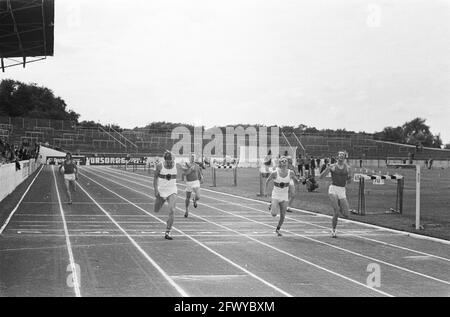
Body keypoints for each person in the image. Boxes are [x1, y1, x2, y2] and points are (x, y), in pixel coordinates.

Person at [153, 151, 191, 240]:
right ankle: (168, 222)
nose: (170, 163)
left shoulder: (177, 165)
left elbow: (186, 172)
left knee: (172, 210)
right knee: (156, 210)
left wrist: (188, 169)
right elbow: (155, 178)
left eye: (171, 161)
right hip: (161, 191)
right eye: (168, 161)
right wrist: (155, 190)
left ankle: (168, 231)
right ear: (165, 160)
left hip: (172, 191)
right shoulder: (159, 166)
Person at [319, 151, 352, 238]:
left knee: (346, 214)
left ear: (345, 157)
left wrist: (349, 178)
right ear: (337, 157)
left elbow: (349, 180)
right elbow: (321, 177)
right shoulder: (332, 166)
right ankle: (333, 231)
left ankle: (340, 207)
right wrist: (327, 168)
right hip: (333, 189)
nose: (341, 157)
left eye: (343, 155)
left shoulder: (348, 168)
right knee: (336, 211)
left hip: (342, 190)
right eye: (339, 155)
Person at [264, 156, 297, 236]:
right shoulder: (275, 173)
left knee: (283, 215)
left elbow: (296, 181)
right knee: (274, 214)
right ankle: (272, 204)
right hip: (276, 195)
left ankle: (278, 229)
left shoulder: (291, 172)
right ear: (280, 163)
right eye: (283, 161)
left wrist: (299, 180)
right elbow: (267, 181)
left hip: (284, 196)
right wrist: (266, 192)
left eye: (286, 161)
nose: (285, 162)